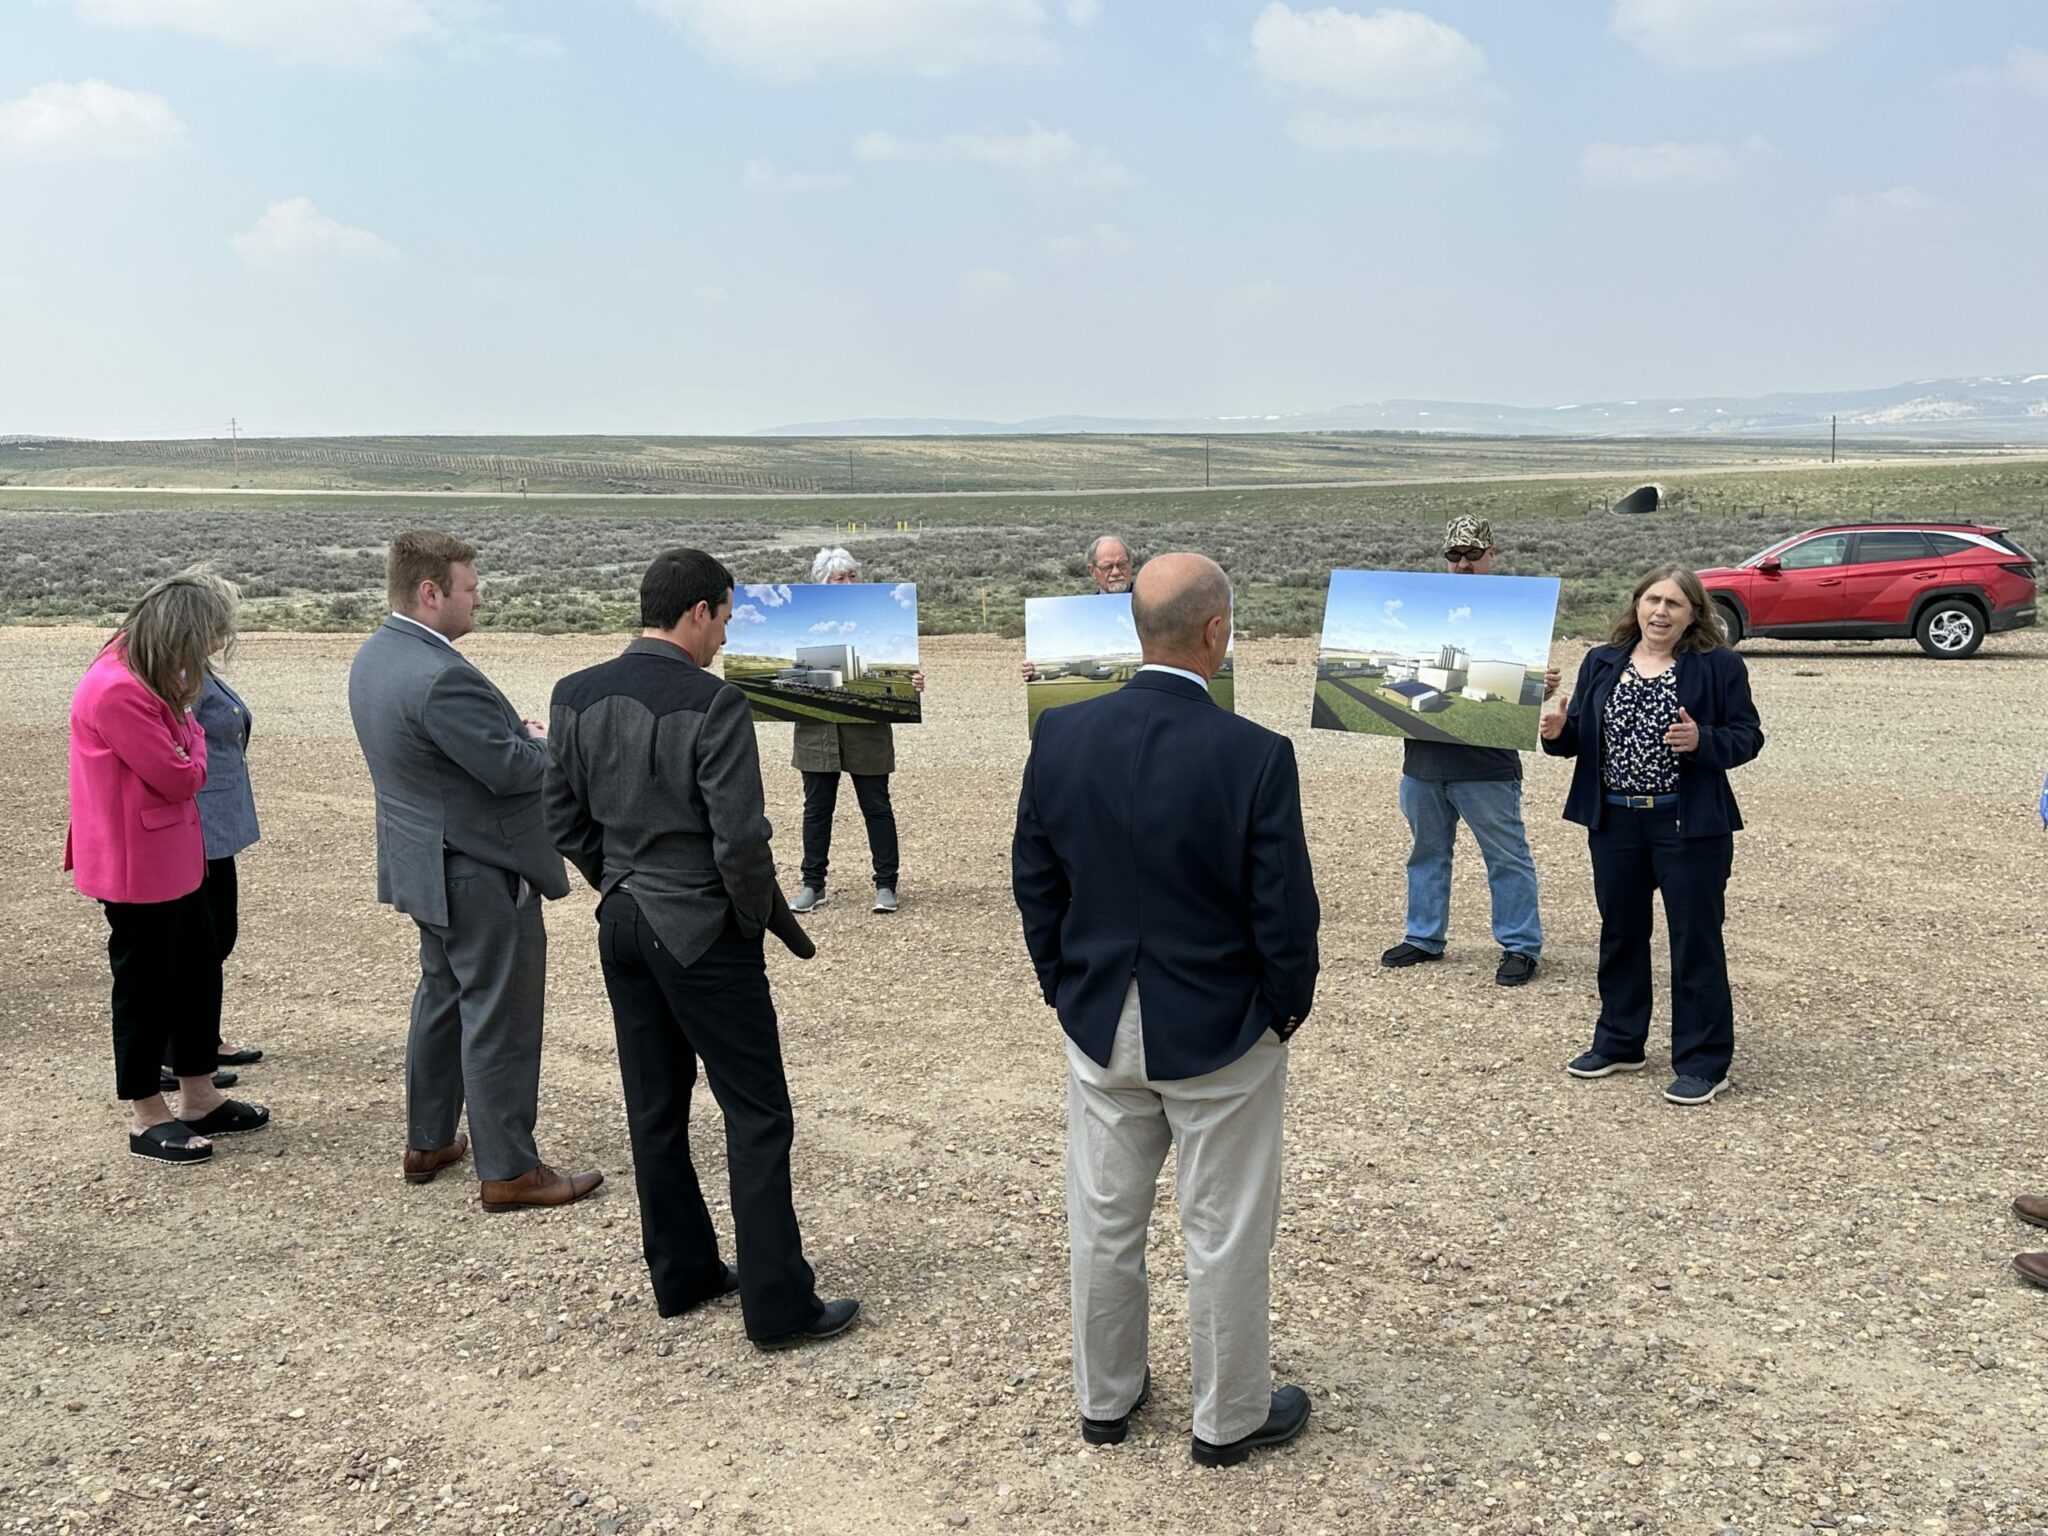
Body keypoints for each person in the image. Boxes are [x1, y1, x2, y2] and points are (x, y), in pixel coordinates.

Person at [1012, 552, 1320, 1468]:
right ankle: (1229, 1418)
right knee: (1223, 1232)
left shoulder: (1061, 734)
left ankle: (1104, 1399)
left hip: (1101, 1017)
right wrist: (1282, 1011)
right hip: (1222, 1026)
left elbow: (1035, 879)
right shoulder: (1254, 753)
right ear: (1216, 632)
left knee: (1103, 1220)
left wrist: (1065, 986)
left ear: (1137, 629)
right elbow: (1284, 909)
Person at [545, 548, 858, 1348]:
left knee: (655, 1109)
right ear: (697, 612)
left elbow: (562, 817)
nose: (724, 636)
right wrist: (746, 922)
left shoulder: (573, 694)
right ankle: (779, 1307)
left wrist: (617, 881)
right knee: (757, 1114)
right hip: (700, 932)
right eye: (724, 618)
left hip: (622, 923)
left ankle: (682, 1274)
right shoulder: (714, 703)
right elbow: (740, 841)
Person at [347, 529, 601, 1208]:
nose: (478, 600)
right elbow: (509, 768)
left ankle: (428, 1139)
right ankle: (509, 1169)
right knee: (501, 1016)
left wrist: (517, 739)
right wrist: (546, 743)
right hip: (478, 869)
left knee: (443, 998)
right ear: (431, 592)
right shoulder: (441, 676)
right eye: (470, 588)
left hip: (425, 864)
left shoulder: (377, 655)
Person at [66, 571, 271, 1165]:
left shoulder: (142, 674)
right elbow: (181, 776)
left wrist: (184, 732)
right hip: (137, 864)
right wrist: (194, 735)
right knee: (146, 986)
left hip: (174, 855)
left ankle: (199, 1096)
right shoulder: (118, 689)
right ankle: (147, 1113)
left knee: (197, 970)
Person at [1540, 564, 1763, 1106]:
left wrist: (1703, 740)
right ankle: (1620, 1042)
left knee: (1694, 941)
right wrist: (1559, 733)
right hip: (1615, 821)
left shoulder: (1719, 666)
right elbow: (1580, 738)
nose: (1660, 612)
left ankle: (1704, 1062)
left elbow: (1748, 736)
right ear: (1637, 604)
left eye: (1674, 604)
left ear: (1693, 615)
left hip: (1688, 826)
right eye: (1652, 600)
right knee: (1620, 933)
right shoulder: (1603, 660)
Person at [1380, 515, 1555, 987]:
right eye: (1454, 556)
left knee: (1506, 856)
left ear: (1491, 555)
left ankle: (1520, 945)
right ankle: (1423, 936)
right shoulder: (1423, 612)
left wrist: (1536, 687)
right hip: (1423, 763)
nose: (1462, 565)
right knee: (1426, 852)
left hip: (1487, 766)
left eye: (1472, 555)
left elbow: (1509, 682)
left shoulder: (1516, 613)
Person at [787, 547, 924, 915]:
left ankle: (886, 884)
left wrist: (911, 683)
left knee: (876, 806)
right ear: (822, 585)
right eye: (838, 578)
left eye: (852, 576)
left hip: (867, 730)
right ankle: (813, 884)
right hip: (816, 731)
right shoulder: (802, 624)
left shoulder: (880, 620)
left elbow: (895, 669)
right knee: (817, 809)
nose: (848, 583)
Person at [1019, 534, 1136, 681]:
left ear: (1130, 565)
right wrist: (1033, 670)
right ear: (1092, 572)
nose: (1116, 572)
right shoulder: (1081, 615)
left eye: (1122, 564)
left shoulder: (1153, 604)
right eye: (1107, 567)